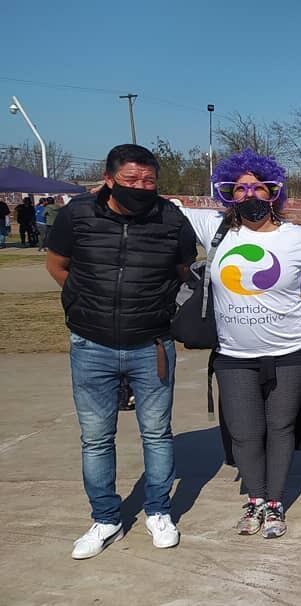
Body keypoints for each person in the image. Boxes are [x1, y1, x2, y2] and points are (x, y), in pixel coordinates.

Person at [179, 149, 301, 539]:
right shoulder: (214, 229)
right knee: (244, 431)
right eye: (239, 189)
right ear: (227, 194)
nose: (249, 196)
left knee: (281, 427)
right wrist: (105, 192)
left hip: (291, 351)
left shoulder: (297, 238)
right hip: (234, 355)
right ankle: (254, 498)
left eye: (258, 188)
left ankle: (274, 502)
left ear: (273, 192)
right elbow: (162, 208)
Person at [46, 144, 196, 559]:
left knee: (157, 433)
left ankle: (158, 511)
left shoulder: (171, 218)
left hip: (152, 344)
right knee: (96, 438)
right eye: (132, 180)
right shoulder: (77, 215)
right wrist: (83, 302)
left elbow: (183, 272)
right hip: (91, 343)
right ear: (110, 178)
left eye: (149, 180)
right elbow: (58, 264)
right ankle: (106, 518)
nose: (141, 187)